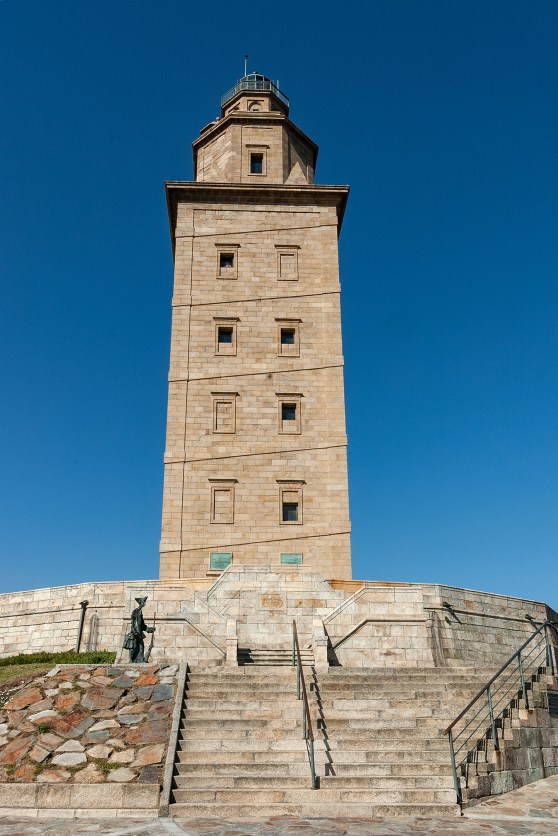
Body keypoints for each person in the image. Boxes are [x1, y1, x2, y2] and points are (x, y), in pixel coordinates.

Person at [123, 596, 155, 662]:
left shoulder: (140, 613)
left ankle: (140, 660)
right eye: (144, 602)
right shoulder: (135, 611)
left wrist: (149, 629)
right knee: (133, 647)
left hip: (139, 633)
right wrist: (134, 631)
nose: (145, 604)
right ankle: (131, 661)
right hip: (135, 633)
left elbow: (142, 625)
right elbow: (133, 622)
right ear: (141, 603)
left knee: (141, 647)